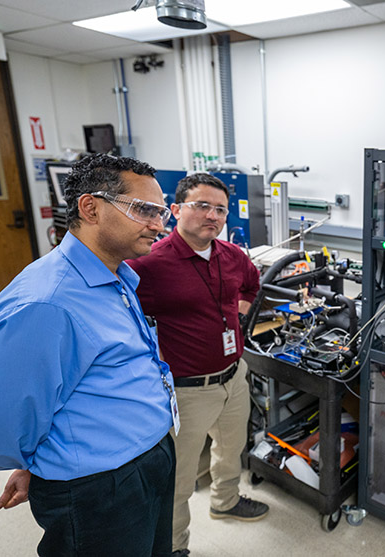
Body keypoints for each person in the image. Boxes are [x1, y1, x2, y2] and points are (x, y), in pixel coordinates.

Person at [0, 154, 178, 556]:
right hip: (101, 489)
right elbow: (0, 430)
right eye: (145, 211)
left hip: (149, 457)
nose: (159, 225)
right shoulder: (47, 304)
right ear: (90, 208)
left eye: (162, 212)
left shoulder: (115, 275)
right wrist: (48, 461)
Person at [127, 173, 267, 557]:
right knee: (180, 477)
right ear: (175, 211)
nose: (212, 215)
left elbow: (253, 285)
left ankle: (225, 501)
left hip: (234, 377)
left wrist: (236, 315)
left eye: (220, 209)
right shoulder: (149, 264)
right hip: (187, 389)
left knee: (231, 448)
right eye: (201, 205)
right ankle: (174, 547)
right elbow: (121, 316)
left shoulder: (234, 256)